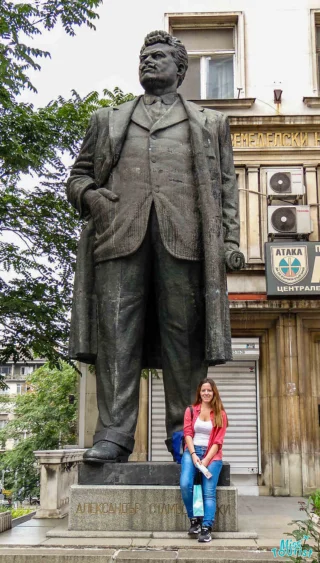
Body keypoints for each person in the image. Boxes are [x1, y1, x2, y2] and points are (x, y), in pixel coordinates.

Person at [67, 30, 243, 463]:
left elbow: (225, 188)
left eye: (159, 56)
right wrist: (93, 198)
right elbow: (78, 177)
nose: (149, 61)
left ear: (181, 70)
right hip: (118, 238)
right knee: (116, 337)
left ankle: (183, 437)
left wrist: (230, 240)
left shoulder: (210, 123)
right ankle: (113, 435)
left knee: (182, 341)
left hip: (184, 243)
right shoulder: (107, 119)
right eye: (144, 56)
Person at [180, 378, 228, 543]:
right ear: (199, 393)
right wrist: (193, 455)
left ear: (214, 392)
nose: (206, 393)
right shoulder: (191, 410)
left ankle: (206, 528)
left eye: (209, 390)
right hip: (192, 451)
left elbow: (218, 441)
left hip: (212, 455)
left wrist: (206, 460)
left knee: (209, 492)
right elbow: (187, 433)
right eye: (203, 390)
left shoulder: (220, 413)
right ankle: (194, 521)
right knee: (186, 484)